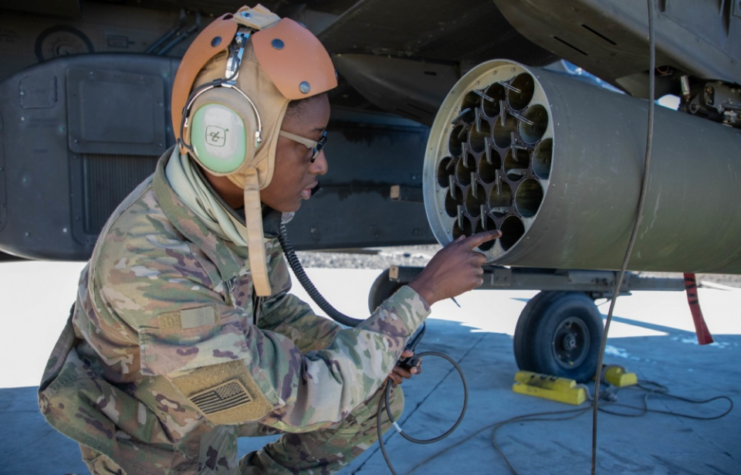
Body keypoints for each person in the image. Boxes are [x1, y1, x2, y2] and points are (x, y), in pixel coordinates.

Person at [38, 5, 499, 475]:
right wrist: (419, 297)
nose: (321, 164)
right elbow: (299, 398)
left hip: (209, 395)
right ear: (237, 143)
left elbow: (272, 309)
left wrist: (365, 346)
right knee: (343, 387)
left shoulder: (233, 207)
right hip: (152, 441)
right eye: (312, 144)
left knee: (374, 395)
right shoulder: (156, 266)